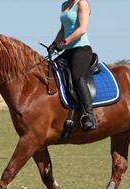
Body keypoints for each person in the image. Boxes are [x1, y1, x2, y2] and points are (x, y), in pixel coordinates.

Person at [48, 0, 96, 131]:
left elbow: (82, 29)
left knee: (77, 76)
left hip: (82, 49)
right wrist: (54, 43)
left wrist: (63, 42)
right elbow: (63, 29)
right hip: (68, 51)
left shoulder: (82, 4)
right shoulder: (64, 5)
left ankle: (89, 115)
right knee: (51, 70)